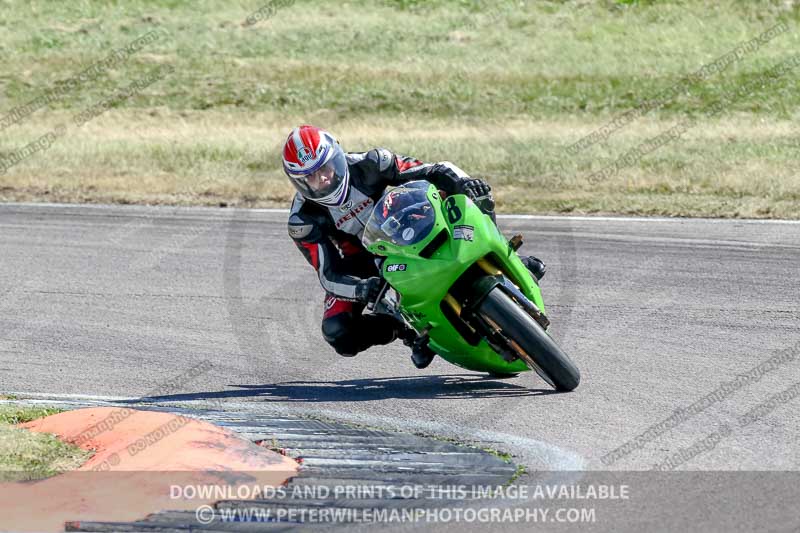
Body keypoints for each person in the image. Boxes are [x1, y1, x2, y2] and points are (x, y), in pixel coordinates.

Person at [283, 125, 546, 369]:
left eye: (325, 168)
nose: (323, 179)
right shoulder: (303, 220)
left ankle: (506, 256)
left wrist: (464, 183)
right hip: (364, 260)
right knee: (337, 330)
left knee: (472, 193)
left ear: (337, 156)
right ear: (298, 182)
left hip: (411, 220)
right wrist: (362, 288)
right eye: (310, 178)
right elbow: (328, 275)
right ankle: (404, 329)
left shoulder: (373, 162)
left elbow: (434, 170)